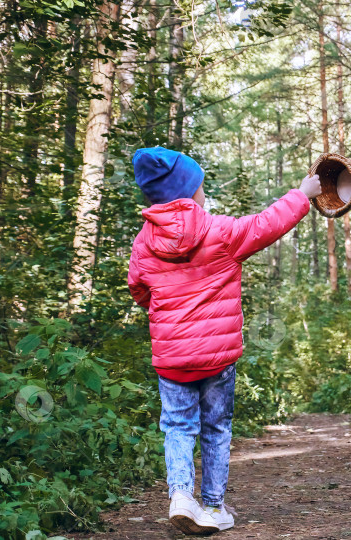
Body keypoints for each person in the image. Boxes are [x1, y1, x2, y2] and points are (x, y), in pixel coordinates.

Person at [127, 147, 321, 534]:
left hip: (172, 357)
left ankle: (181, 495)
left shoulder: (143, 244)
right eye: (198, 185)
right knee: (216, 428)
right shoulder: (220, 232)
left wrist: (167, 310)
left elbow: (140, 291)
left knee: (178, 428)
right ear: (188, 191)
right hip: (217, 359)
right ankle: (214, 507)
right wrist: (303, 194)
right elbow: (267, 224)